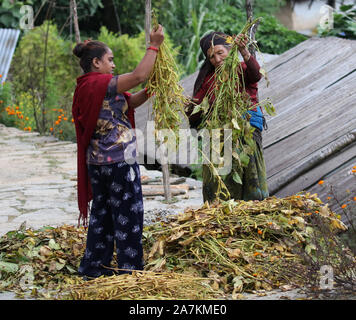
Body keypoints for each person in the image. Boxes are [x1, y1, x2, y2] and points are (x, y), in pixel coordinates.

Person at [72, 25, 164, 278]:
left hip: (98, 165)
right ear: (96, 62)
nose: (113, 65)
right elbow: (138, 75)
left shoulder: (88, 87)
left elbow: (130, 101)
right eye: (109, 60)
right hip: (118, 163)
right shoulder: (99, 83)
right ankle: (130, 270)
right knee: (128, 215)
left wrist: (152, 89)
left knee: (103, 216)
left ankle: (93, 268)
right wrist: (154, 45)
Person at [186, 31, 269, 203]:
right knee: (220, 180)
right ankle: (222, 211)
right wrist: (188, 105)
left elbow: (256, 75)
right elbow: (196, 110)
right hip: (219, 134)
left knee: (248, 173)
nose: (216, 59)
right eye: (211, 57)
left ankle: (252, 211)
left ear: (230, 50)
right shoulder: (208, 79)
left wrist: (244, 51)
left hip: (246, 128)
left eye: (220, 53)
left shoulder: (242, 68)